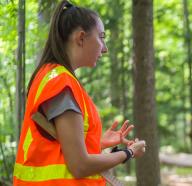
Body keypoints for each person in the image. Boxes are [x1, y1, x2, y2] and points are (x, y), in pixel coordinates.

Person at [13, 1, 146, 185]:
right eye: (101, 37)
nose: (105, 48)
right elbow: (80, 165)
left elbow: (59, 148)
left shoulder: (51, 76)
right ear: (81, 38)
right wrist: (129, 153)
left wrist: (96, 142)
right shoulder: (61, 84)